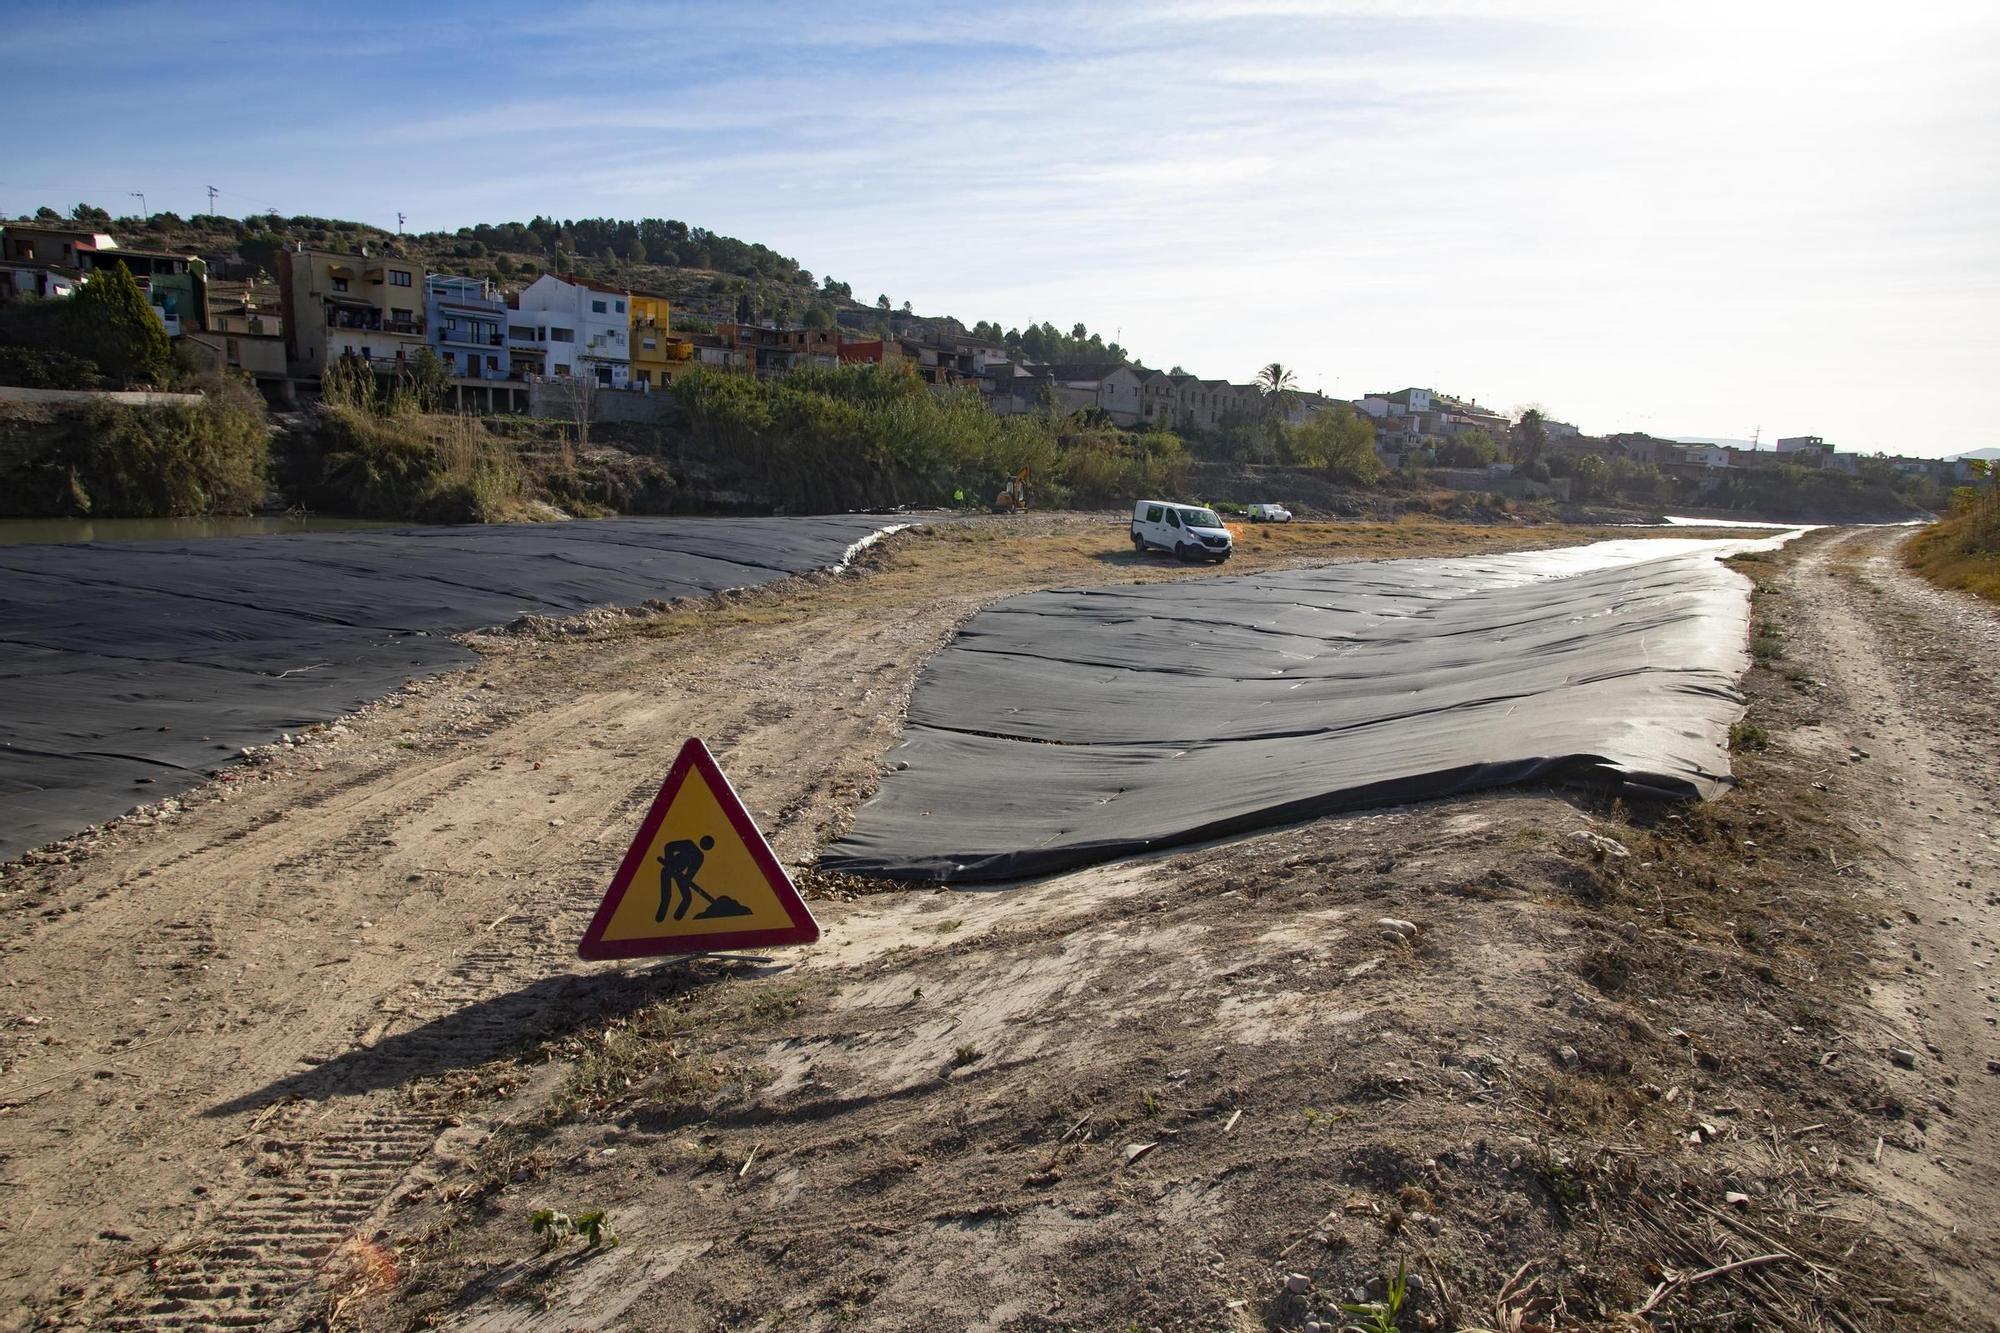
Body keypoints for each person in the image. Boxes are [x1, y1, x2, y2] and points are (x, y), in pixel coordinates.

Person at [655, 835, 715, 923]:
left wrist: (686, 879)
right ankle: (659, 919)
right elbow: (669, 847)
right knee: (666, 896)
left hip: (680, 874)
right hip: (667, 870)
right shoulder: (688, 844)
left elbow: (690, 873)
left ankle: (677, 918)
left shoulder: (699, 857)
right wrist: (670, 862)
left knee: (687, 898)